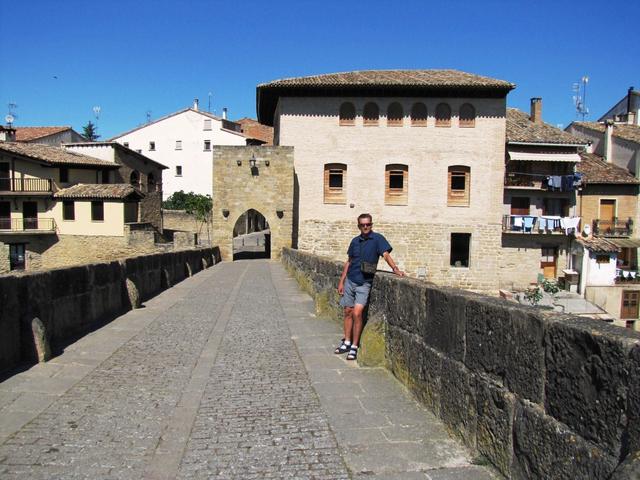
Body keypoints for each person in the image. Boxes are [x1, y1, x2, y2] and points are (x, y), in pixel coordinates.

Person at [335, 213, 404, 360]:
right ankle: (346, 342)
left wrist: (395, 269)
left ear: (371, 225)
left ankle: (355, 346)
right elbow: (349, 261)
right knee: (347, 311)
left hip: (364, 282)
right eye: (363, 225)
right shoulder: (355, 241)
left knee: (357, 313)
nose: (366, 227)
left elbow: (386, 255)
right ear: (359, 226)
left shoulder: (378, 239)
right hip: (350, 280)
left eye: (368, 224)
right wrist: (342, 281)